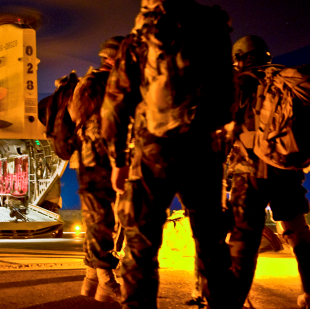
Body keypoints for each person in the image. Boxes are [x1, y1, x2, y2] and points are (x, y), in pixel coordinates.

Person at [101, 1, 239, 308]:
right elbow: (230, 96)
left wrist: (118, 161)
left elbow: (115, 105)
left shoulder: (139, 38)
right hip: (205, 149)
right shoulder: (212, 31)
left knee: (141, 247)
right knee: (212, 246)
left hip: (153, 149)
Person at [227, 35, 310, 308]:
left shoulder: (239, 83)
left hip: (249, 173)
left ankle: (234, 301)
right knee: (297, 231)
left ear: (238, 59)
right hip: (286, 171)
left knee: (244, 241)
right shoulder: (285, 79)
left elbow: (223, 129)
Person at [49, 36, 125, 303]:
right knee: (103, 220)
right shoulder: (99, 85)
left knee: (98, 219)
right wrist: (119, 160)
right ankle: (106, 279)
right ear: (116, 58)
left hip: (95, 160)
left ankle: (91, 280)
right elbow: (101, 128)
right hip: (99, 160)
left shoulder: (96, 84)